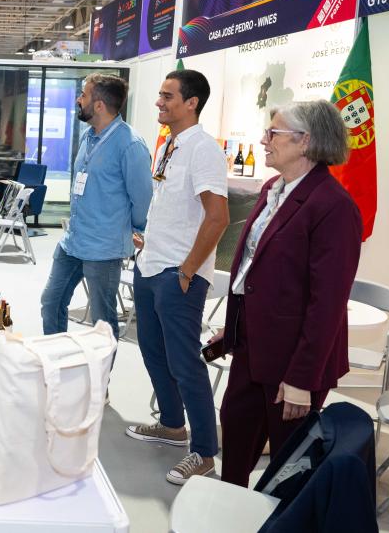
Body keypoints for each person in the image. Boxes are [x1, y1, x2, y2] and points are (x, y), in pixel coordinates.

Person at [215, 100, 362, 487]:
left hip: (293, 359)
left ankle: (280, 516)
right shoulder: (272, 189)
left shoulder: (333, 206)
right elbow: (254, 268)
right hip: (253, 346)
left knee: (287, 465)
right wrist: (234, 326)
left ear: (305, 141)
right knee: (236, 431)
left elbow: (327, 304)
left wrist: (302, 379)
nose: (264, 140)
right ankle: (232, 507)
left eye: (273, 133)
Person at [125, 69, 229, 485]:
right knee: (153, 352)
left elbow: (217, 217)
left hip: (177, 273)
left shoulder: (203, 149)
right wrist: (146, 242)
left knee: (185, 363)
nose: (159, 102)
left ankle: (204, 453)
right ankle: (172, 425)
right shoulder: (170, 144)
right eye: (160, 94)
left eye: (168, 96)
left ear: (192, 103)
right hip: (151, 264)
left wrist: (187, 271)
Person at [40, 75, 152, 337]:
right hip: (73, 242)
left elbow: (143, 198)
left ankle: (102, 366)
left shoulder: (130, 145)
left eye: (84, 95)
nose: (79, 100)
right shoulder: (88, 137)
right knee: (51, 302)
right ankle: (57, 358)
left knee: (102, 322)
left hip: (104, 248)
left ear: (99, 105)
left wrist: (134, 229)